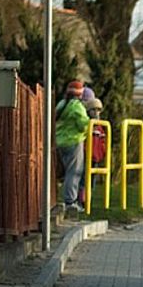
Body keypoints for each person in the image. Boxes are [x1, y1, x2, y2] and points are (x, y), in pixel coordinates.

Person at [54, 80, 91, 214]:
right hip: (74, 142)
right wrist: (90, 122)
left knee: (64, 172)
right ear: (80, 94)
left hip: (60, 142)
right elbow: (83, 125)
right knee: (74, 172)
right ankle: (70, 202)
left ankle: (61, 199)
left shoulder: (62, 104)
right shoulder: (77, 106)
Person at [78, 98, 107, 207]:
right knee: (83, 180)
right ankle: (82, 201)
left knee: (92, 181)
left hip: (95, 157)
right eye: (93, 110)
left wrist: (102, 153)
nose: (96, 113)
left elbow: (102, 141)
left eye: (98, 110)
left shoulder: (100, 126)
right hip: (86, 156)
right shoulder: (87, 124)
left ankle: (88, 200)